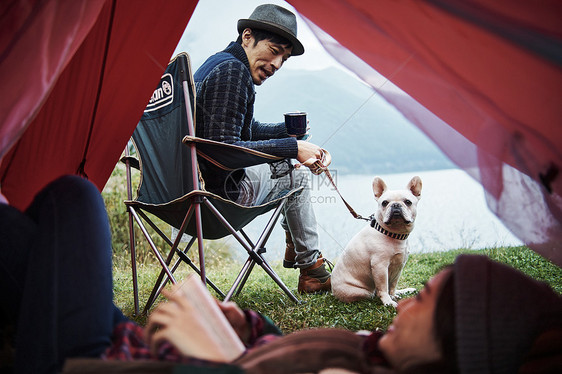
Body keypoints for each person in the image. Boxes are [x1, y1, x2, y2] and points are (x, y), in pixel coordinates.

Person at [2, 177, 560, 373]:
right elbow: (287, 354)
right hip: (131, 345)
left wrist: (215, 359)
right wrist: (248, 324)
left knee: (72, 201)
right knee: (44, 226)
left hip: (98, 365)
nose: (410, 302)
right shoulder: (374, 349)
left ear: (453, 348)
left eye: (427, 302)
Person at [193, 4, 331, 293]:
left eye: (285, 57)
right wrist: (293, 150)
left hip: (185, 195)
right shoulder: (233, 72)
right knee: (298, 176)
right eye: (274, 49)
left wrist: (291, 137)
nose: (277, 64)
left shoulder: (215, 65)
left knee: (286, 165)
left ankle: (297, 246)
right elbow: (224, 149)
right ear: (247, 36)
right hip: (219, 199)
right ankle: (312, 270)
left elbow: (243, 130)